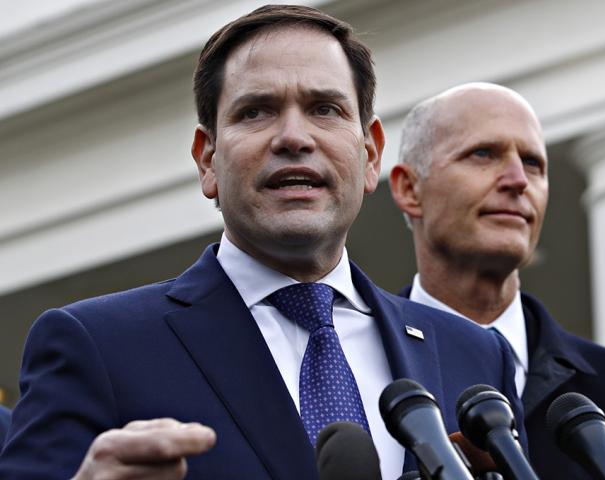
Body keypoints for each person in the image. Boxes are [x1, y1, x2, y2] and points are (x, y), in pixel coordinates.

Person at [0, 8, 521, 480]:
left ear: (370, 154)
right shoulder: (97, 346)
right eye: (255, 111)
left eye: (325, 108)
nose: (294, 137)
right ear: (207, 160)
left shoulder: (476, 355)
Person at [389, 82, 605, 478]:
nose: (518, 180)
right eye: (483, 154)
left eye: (533, 163)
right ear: (409, 188)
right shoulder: (351, 369)